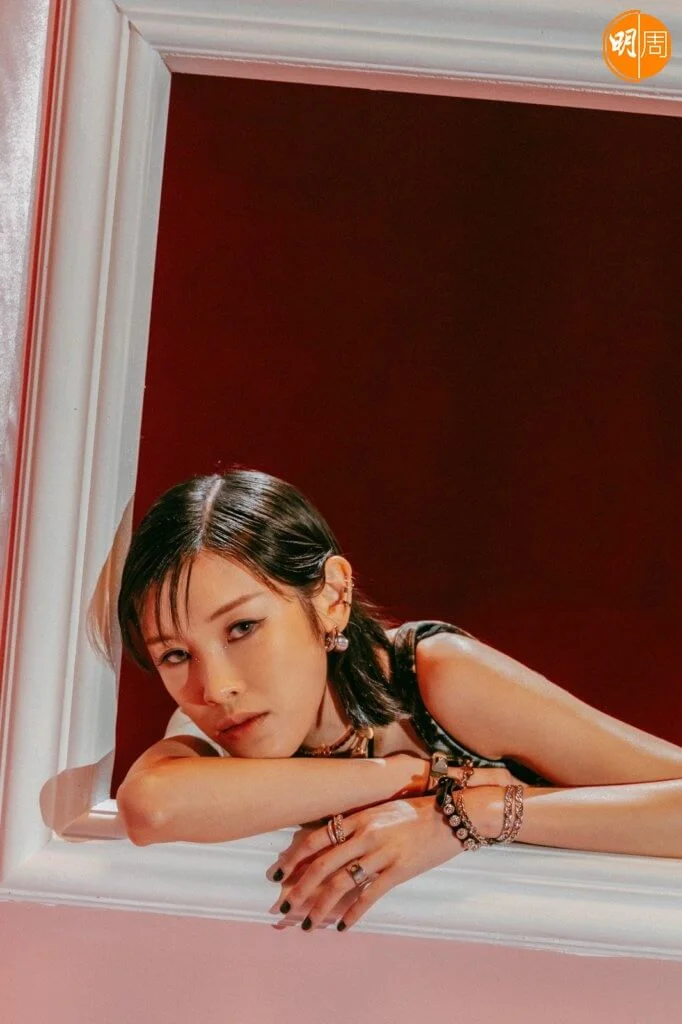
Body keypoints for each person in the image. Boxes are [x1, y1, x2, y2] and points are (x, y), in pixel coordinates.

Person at [115, 467, 682, 932]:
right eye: (175, 654)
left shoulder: (438, 677)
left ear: (332, 597)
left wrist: (470, 815)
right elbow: (150, 807)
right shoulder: (213, 722)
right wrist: (411, 778)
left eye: (242, 628)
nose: (215, 688)